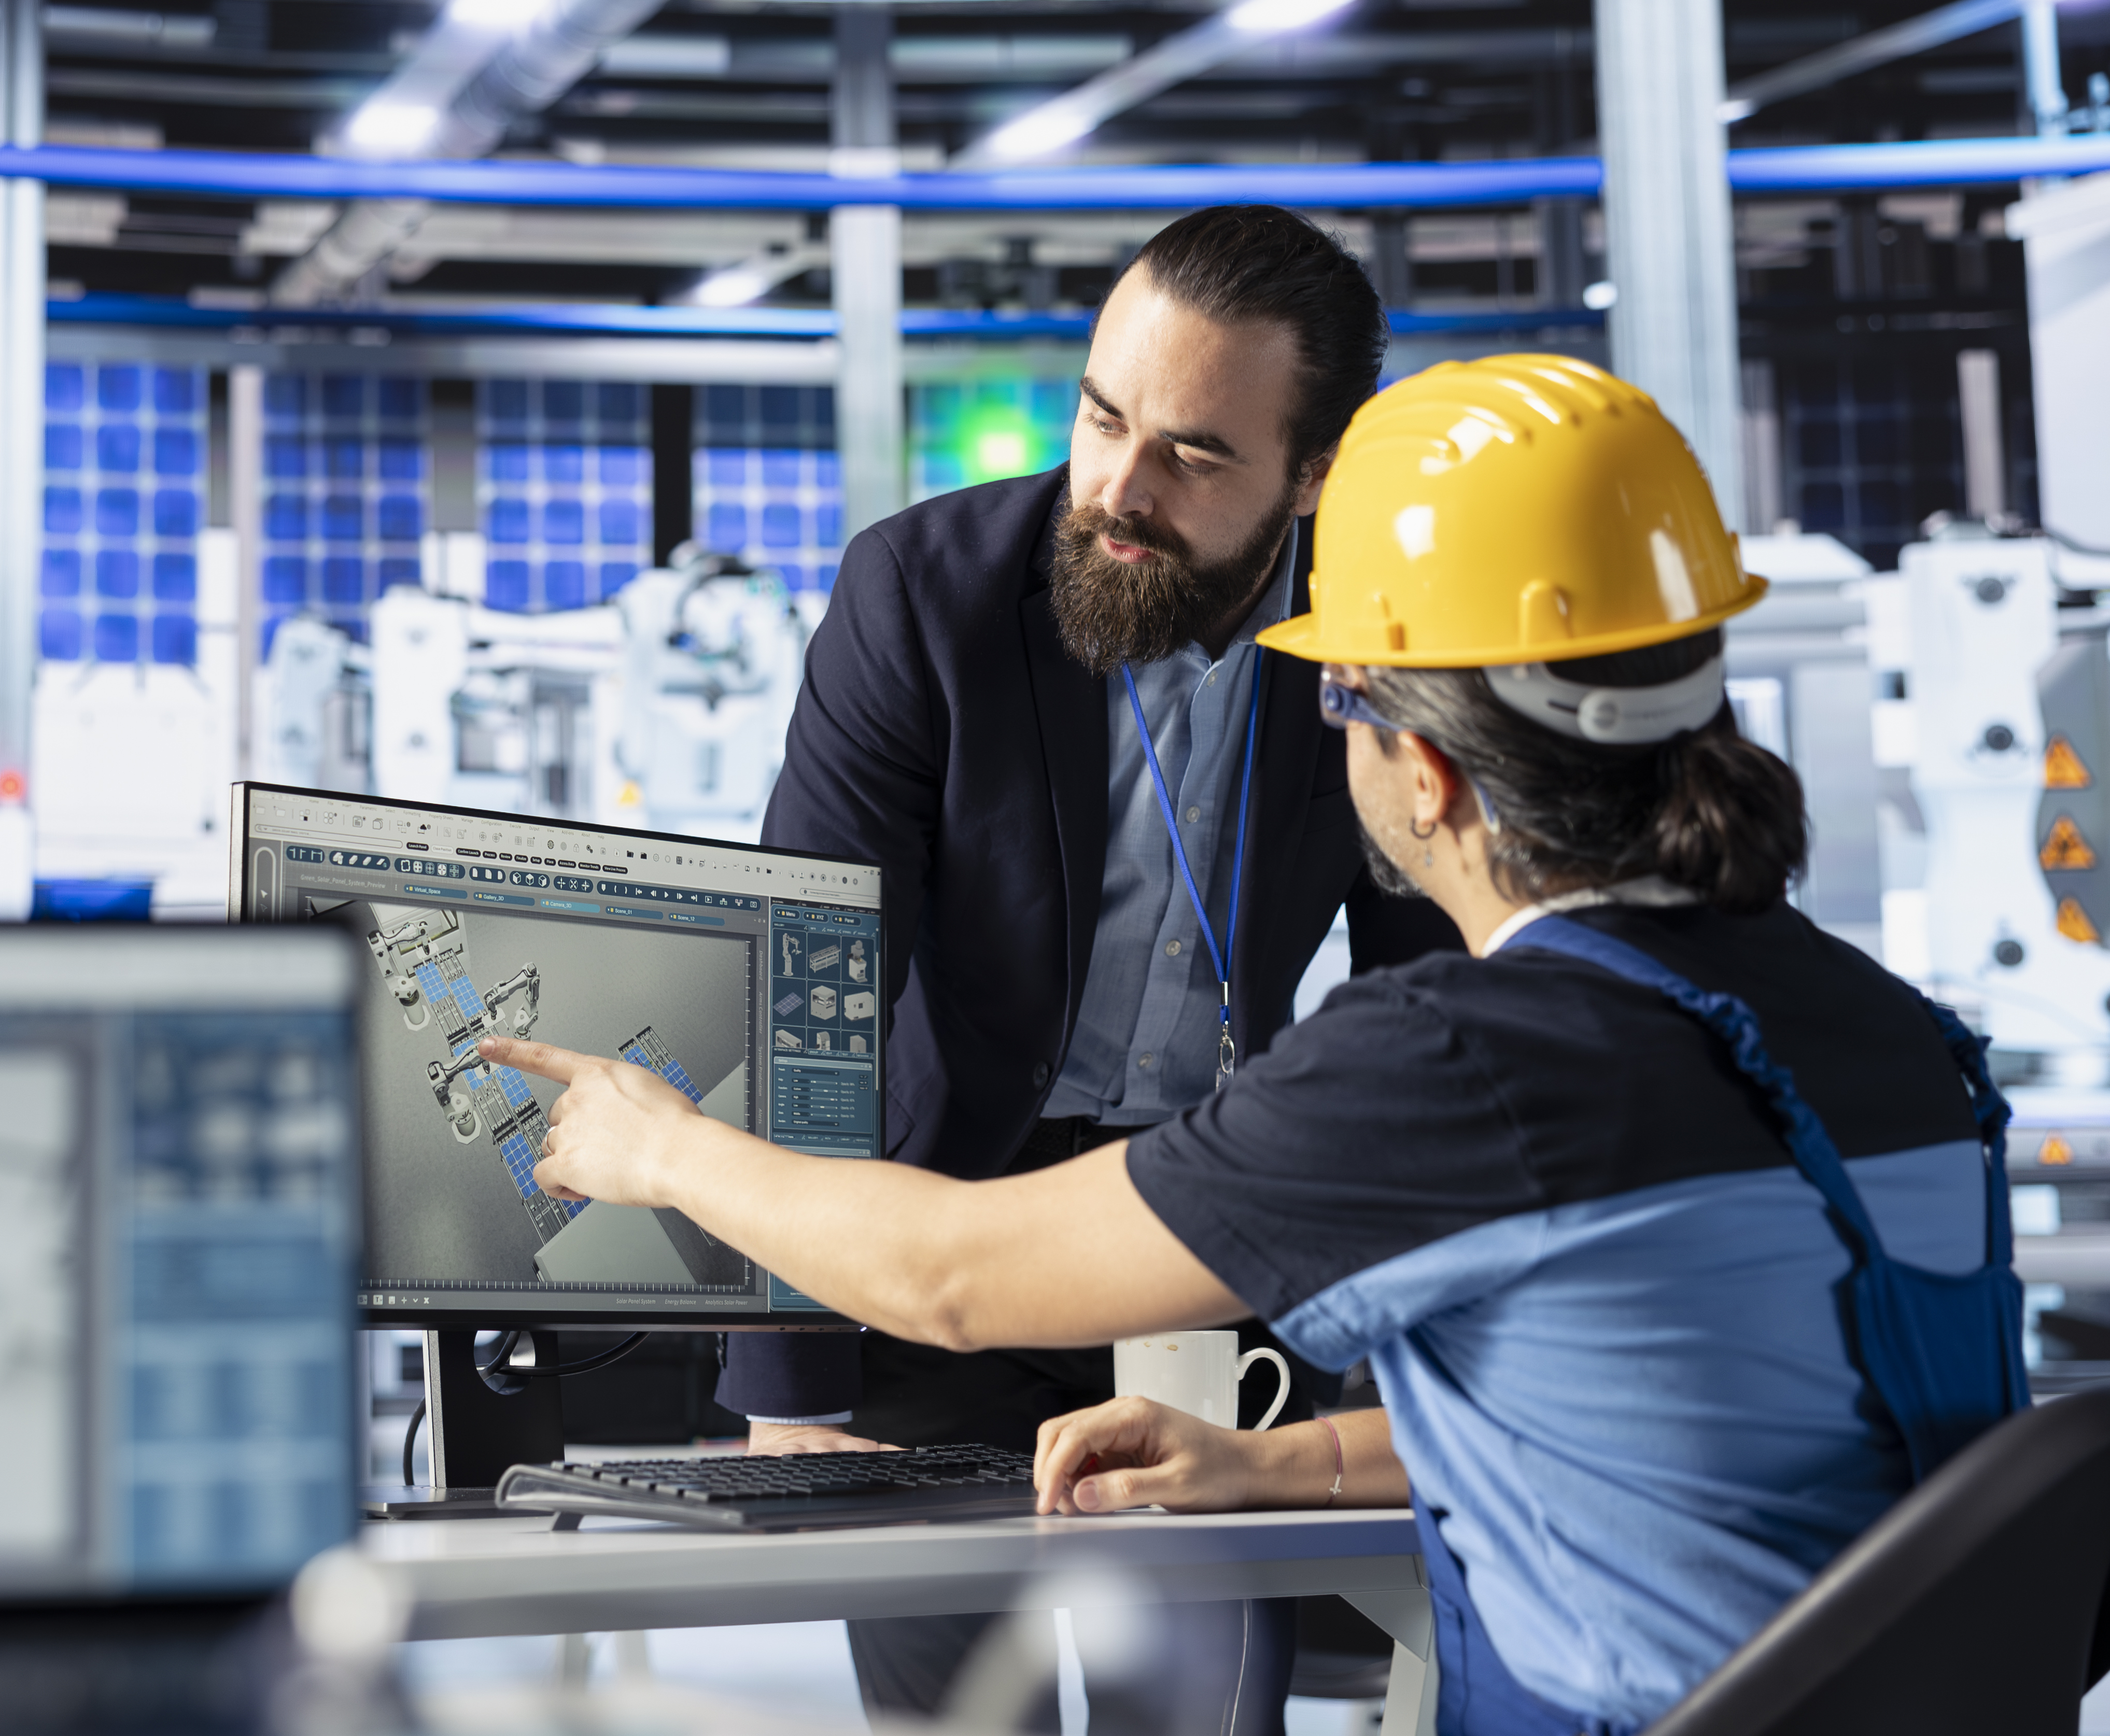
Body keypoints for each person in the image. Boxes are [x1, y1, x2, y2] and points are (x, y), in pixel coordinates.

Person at [482, 354, 2028, 1736]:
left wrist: (659, 1145)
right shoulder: (1891, 1037)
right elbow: (1687, 1442)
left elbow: (952, 1278)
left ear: (1422, 771)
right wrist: (1274, 1466)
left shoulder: (1469, 1062)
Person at [730, 201, 1456, 1728]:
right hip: (938, 1239)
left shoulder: (1386, 636)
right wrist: (797, 1379)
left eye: (1195, 454)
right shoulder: (923, 596)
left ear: (1315, 473)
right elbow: (814, 986)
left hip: (1202, 1236)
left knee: (1198, 1715)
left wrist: (1405, 1354)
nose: (1118, 487)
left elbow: (1428, 1008)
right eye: (1103, 416)